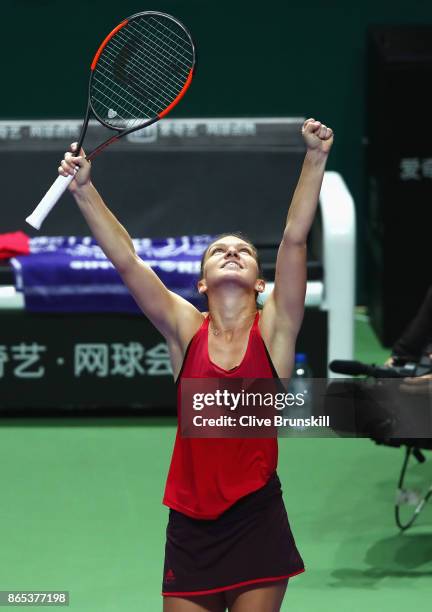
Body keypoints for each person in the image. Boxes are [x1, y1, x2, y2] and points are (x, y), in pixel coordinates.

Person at [59, 117, 334, 612]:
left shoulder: (274, 333)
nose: (231, 253)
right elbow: (128, 261)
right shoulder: (186, 330)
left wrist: (314, 159)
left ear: (260, 283)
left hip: (256, 518)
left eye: (244, 252)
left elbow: (294, 239)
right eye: (219, 252)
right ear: (203, 283)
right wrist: (84, 191)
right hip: (190, 525)